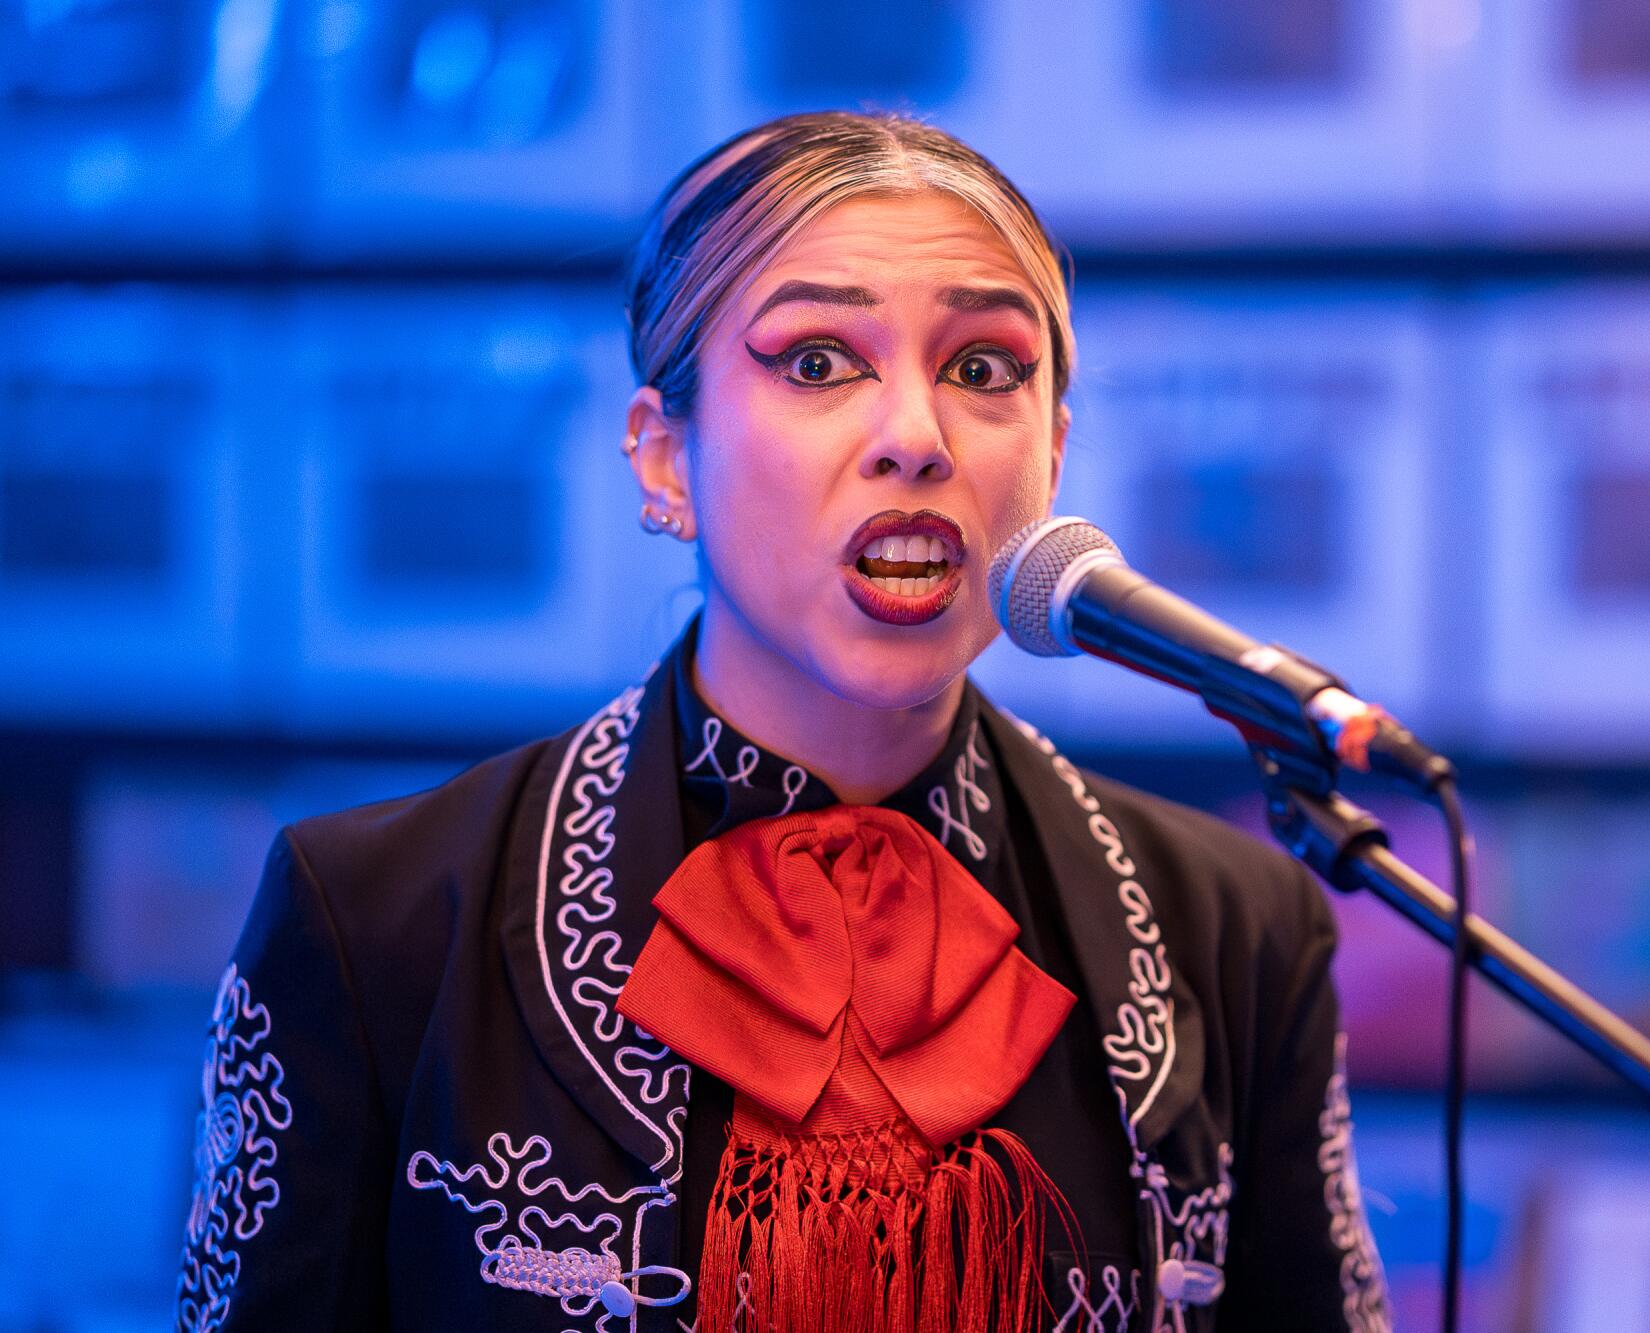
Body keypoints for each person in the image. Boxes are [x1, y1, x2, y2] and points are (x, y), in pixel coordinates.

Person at [176, 110, 1390, 1333]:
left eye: (983, 368)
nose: (915, 438)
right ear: (663, 460)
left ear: (1053, 453)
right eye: (816, 361)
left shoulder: (1231, 932)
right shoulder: (375, 917)